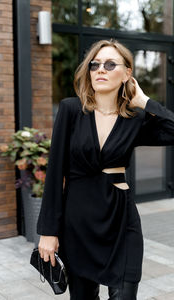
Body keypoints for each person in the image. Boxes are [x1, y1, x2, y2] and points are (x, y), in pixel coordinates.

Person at [36, 39, 174, 300]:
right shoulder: (71, 110)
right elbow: (55, 175)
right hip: (78, 224)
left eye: (110, 64)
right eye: (95, 64)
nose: (100, 69)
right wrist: (48, 231)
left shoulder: (134, 118)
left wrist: (144, 101)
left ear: (127, 74)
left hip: (122, 221)